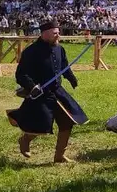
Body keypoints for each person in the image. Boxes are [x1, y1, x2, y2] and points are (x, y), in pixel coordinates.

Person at [7, 20, 87, 163]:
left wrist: (71, 78)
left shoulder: (59, 49)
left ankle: (59, 156)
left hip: (57, 91)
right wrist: (32, 87)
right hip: (40, 94)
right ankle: (25, 140)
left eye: (58, 32)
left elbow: (64, 66)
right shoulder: (31, 51)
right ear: (45, 33)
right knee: (41, 124)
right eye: (55, 33)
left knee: (67, 122)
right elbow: (21, 74)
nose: (58, 35)